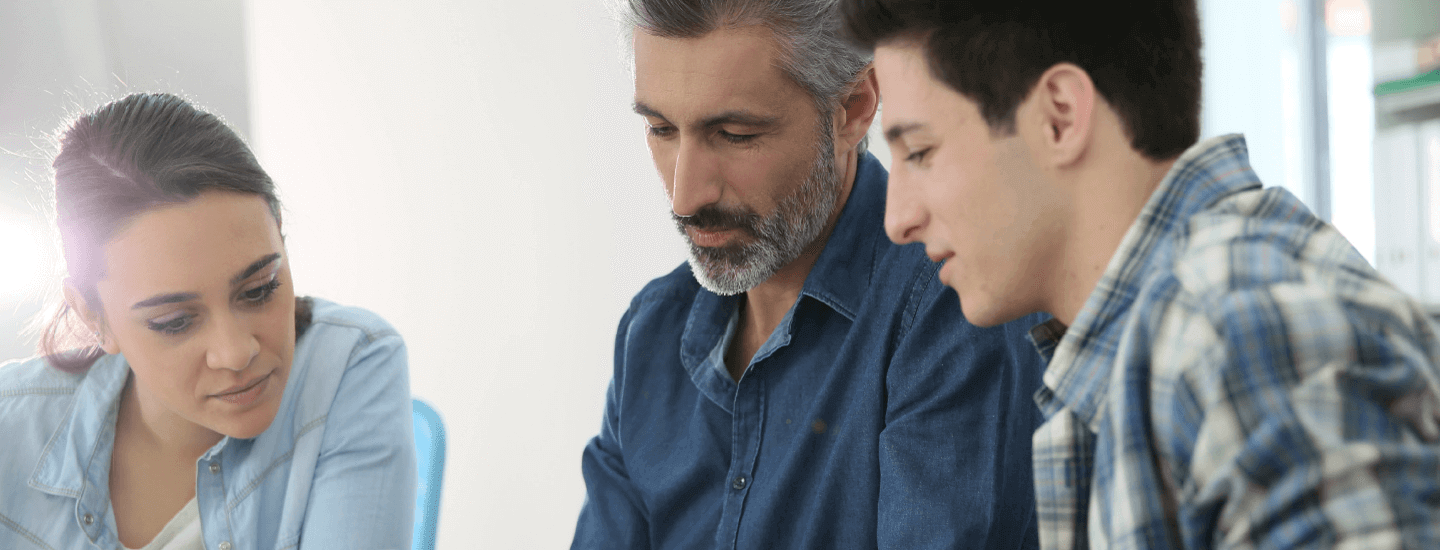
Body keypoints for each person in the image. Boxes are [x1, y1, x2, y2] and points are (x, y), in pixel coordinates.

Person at [841, 1, 1440, 548]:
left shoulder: (1237, 329)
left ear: (1060, 115)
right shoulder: (1159, 339)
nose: (899, 219)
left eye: (919, 152)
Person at [572, 0, 1048, 547]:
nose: (684, 196)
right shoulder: (649, 335)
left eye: (734, 134)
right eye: (661, 129)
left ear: (853, 108)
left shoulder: (957, 303)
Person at [0, 93, 416, 550]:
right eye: (176, 321)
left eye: (259, 290)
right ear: (93, 317)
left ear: (280, 234)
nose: (237, 351)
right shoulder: (10, 424)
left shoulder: (349, 365)